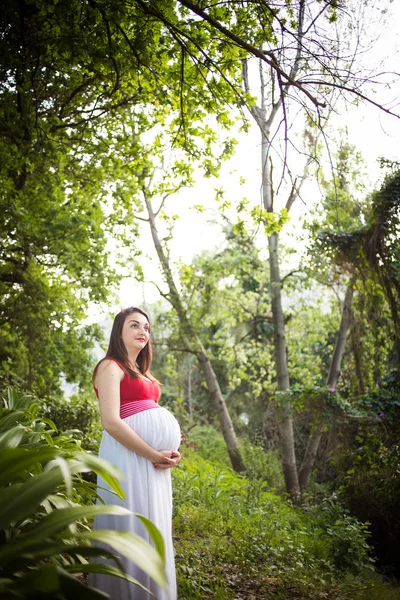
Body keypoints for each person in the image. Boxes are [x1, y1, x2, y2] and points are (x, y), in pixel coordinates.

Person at [89, 306, 181, 600]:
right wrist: (153, 453)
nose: (143, 331)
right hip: (127, 458)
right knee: (131, 520)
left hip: (153, 466)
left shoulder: (146, 376)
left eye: (146, 327)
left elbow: (150, 415)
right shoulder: (110, 367)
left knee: (152, 522)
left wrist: (169, 453)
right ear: (119, 331)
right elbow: (112, 422)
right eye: (134, 326)